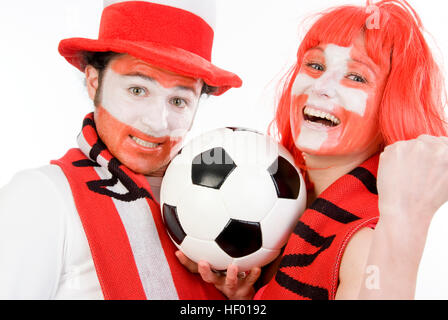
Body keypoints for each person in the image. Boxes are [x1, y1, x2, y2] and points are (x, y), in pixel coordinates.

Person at [177, 0, 448, 300]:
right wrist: (247, 298)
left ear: (392, 106)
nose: (321, 86)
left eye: (356, 77)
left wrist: (408, 218)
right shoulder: (275, 196)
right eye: (315, 66)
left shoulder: (364, 242)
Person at [0, 0, 242, 300]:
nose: (156, 122)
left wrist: (238, 300)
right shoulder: (41, 196)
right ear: (93, 81)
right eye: (137, 90)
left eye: (179, 101)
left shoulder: (231, 204)